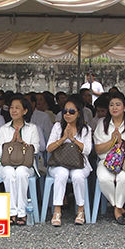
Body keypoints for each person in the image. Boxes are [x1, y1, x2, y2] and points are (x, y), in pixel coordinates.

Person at [94, 92, 125, 225]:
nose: (114, 107)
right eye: (111, 105)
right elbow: (98, 149)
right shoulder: (102, 123)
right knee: (104, 178)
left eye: (118, 104)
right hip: (107, 162)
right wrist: (112, 141)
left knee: (124, 178)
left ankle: (117, 208)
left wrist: (124, 142)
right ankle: (119, 208)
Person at [46, 95, 92, 226]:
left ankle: (80, 210)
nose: (67, 114)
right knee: (62, 174)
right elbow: (49, 148)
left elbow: (87, 150)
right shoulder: (57, 127)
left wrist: (73, 139)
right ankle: (57, 210)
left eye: (71, 111)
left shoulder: (85, 129)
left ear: (78, 114)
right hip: (59, 162)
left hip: (80, 163)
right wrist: (62, 139)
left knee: (77, 176)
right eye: (65, 111)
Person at [0, 96, 40, 226]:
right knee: (9, 173)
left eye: (17, 108)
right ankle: (12, 212)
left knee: (21, 172)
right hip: (6, 164)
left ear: (25, 111)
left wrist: (22, 143)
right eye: (11, 108)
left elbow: (36, 148)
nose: (13, 111)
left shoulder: (32, 128)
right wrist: (11, 143)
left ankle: (22, 212)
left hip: (26, 164)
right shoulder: (4, 128)